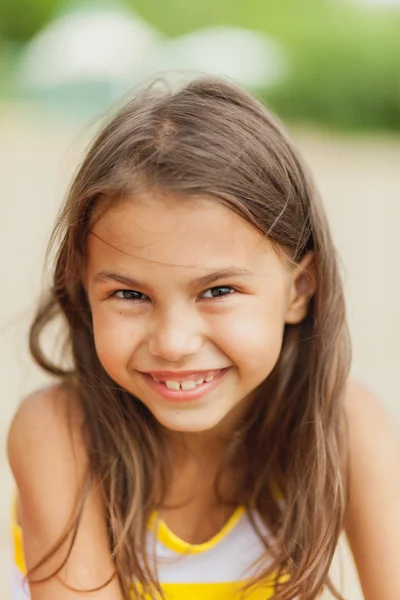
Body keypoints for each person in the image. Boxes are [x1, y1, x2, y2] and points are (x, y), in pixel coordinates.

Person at [7, 75, 400, 600]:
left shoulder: (346, 424)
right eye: (129, 295)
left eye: (217, 290)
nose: (173, 342)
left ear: (298, 291)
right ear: (82, 289)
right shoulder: (57, 431)